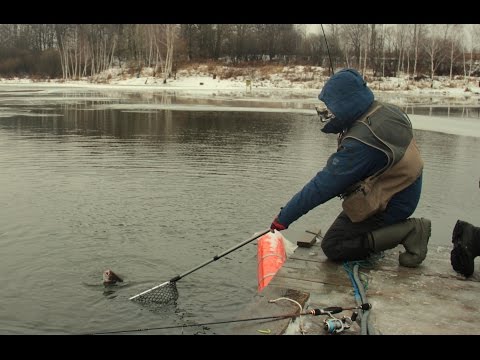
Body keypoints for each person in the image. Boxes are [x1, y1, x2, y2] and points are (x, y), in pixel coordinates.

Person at [269, 68, 431, 267]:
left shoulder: (361, 142)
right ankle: (386, 235)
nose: (328, 113)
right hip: (405, 186)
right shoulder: (384, 110)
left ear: (346, 103)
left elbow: (324, 185)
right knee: (348, 225)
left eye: (331, 107)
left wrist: (285, 217)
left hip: (393, 201)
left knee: (334, 245)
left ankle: (411, 231)